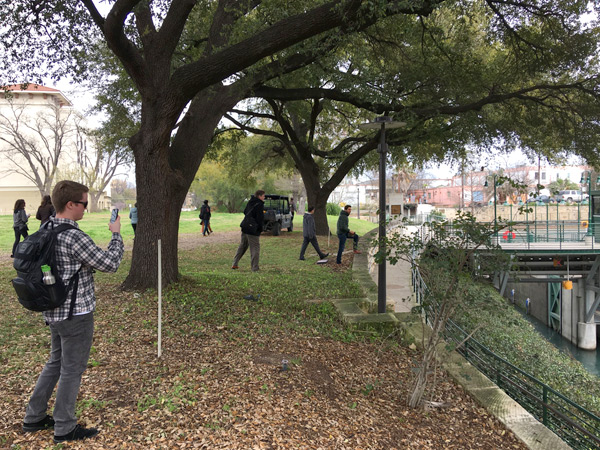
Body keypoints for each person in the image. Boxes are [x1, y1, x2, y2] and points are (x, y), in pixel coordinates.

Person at [22, 180, 124, 443]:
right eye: (84, 204)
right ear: (70, 204)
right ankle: (65, 427)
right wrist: (116, 234)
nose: (85, 209)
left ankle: (33, 417)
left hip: (53, 311)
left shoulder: (46, 229)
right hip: (76, 315)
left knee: (55, 363)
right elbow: (110, 264)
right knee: (71, 369)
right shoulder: (73, 236)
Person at [232, 190, 265, 271]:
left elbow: (245, 211)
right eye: (263, 196)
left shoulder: (250, 202)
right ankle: (255, 267)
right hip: (253, 229)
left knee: (243, 246)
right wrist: (260, 228)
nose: (264, 197)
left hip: (245, 226)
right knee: (255, 248)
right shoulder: (259, 204)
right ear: (259, 196)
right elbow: (259, 218)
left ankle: (234, 264)